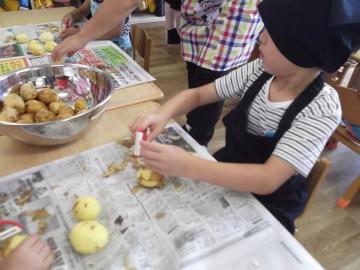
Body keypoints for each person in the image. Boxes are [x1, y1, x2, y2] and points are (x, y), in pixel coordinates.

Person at [130, 0, 360, 234]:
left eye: (270, 35)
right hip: (226, 171)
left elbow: (268, 179)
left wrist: (188, 165)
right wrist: (161, 114)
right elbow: (198, 95)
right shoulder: (260, 71)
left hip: (269, 205)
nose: (260, 38)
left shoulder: (321, 108)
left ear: (301, 51)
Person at [179, 0, 263, 146]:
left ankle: (199, 137)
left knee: (210, 80)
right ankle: (192, 125)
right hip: (203, 16)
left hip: (233, 20)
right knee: (196, 77)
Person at [52, 0, 142, 61]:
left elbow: (116, 32)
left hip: (118, 49)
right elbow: (82, 10)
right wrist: (72, 15)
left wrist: (80, 34)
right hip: (97, 42)